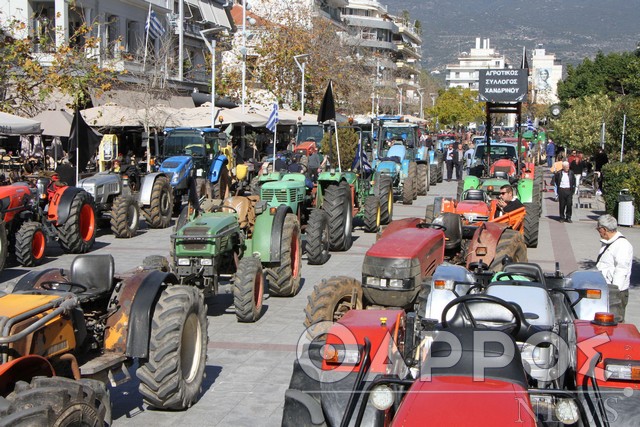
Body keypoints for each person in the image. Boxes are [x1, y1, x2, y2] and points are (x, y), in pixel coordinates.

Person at [595, 214, 634, 322]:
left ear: (604, 229)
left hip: (615, 292)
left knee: (615, 323)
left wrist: (614, 292)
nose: (598, 232)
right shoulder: (608, 242)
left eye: (598, 229)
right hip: (606, 288)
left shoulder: (622, 245)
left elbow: (621, 270)